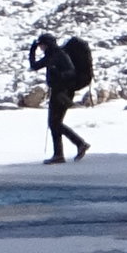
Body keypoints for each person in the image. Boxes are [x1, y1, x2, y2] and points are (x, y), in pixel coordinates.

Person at [29, 29, 93, 162]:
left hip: (63, 92)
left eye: (41, 45)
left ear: (47, 44)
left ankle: (76, 145)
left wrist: (58, 75)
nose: (40, 47)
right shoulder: (50, 55)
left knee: (54, 123)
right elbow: (34, 66)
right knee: (54, 123)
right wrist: (32, 50)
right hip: (58, 92)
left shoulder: (60, 55)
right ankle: (61, 153)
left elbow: (71, 72)